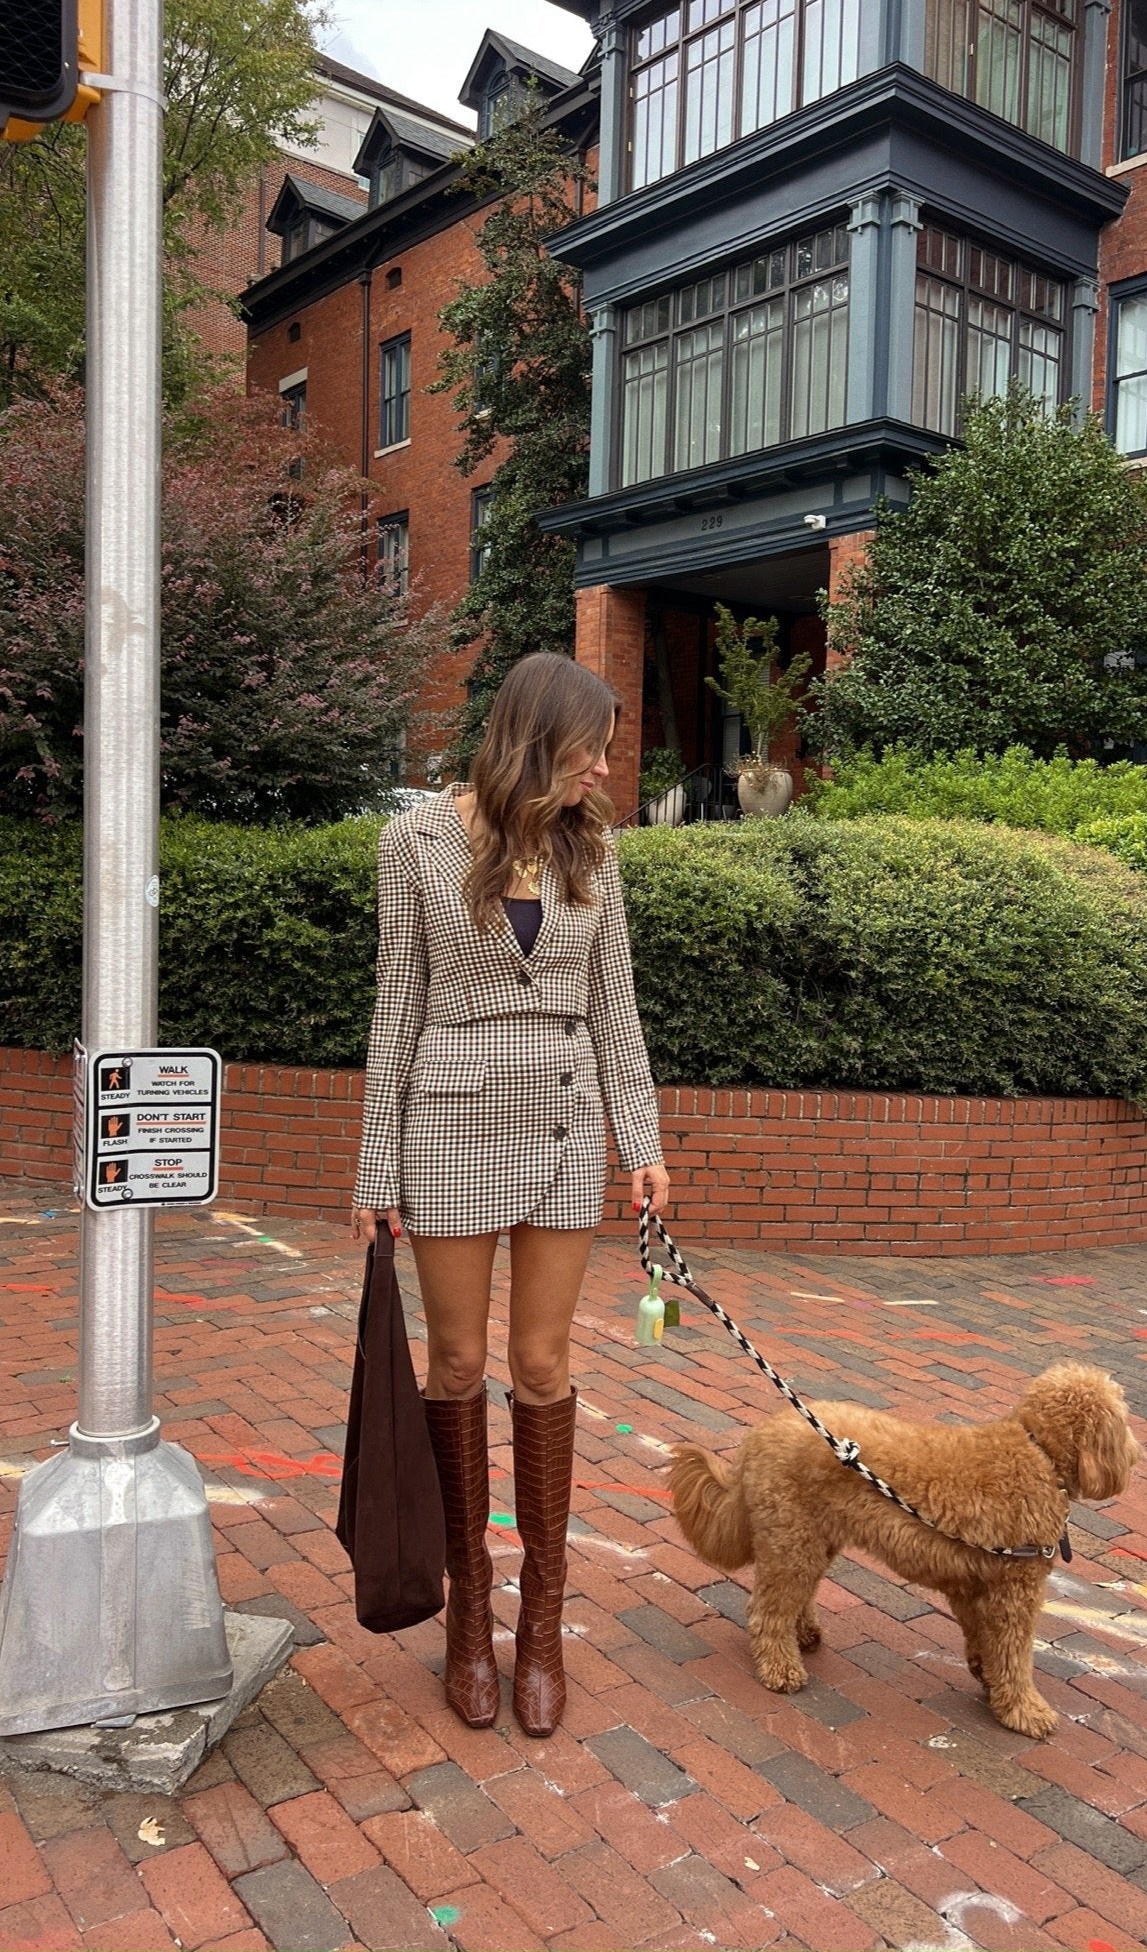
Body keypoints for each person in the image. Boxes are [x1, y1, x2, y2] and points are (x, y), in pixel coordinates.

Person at [351, 652, 670, 1738]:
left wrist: (644, 1139)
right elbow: (397, 1003)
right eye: (594, 746)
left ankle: (540, 1624)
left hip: (569, 1120)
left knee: (542, 1364)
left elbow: (615, 1002)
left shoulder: (595, 847)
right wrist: (373, 1167)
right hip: (447, 1126)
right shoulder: (417, 841)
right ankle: (467, 1615)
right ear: (541, 738)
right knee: (455, 1364)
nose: (605, 766)